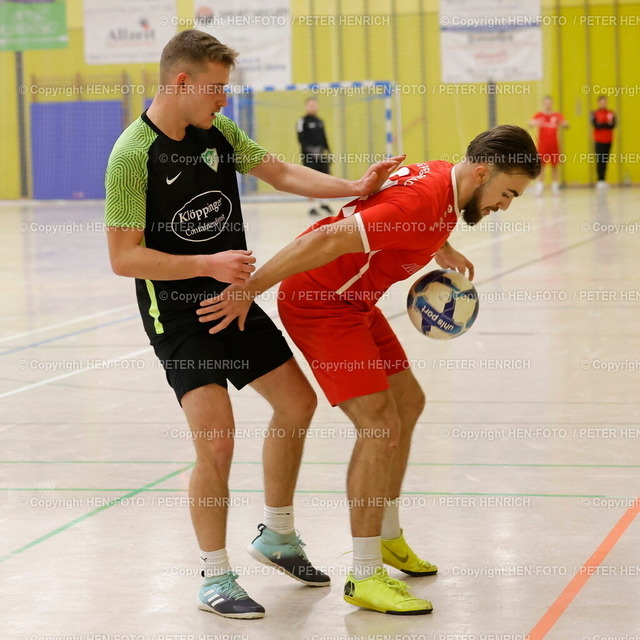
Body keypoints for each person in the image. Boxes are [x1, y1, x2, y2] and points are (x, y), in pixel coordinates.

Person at [104, 29, 403, 620]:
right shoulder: (132, 155)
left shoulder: (219, 133)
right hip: (180, 314)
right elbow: (123, 257)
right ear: (182, 81)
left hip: (234, 299)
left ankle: (279, 536)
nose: (224, 99)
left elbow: (281, 172)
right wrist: (207, 264)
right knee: (216, 441)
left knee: (297, 403)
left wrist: (354, 187)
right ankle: (215, 576)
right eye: (217, 87)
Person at [197, 125, 542, 615]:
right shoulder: (422, 202)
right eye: (507, 193)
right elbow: (326, 238)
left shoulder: (446, 179)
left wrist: (440, 247)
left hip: (354, 300)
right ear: (483, 172)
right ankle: (364, 575)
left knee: (408, 402)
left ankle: (386, 535)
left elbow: (407, 212)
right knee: (379, 425)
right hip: (321, 302)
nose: (505, 205)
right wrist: (248, 290)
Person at [297, 97, 333, 216]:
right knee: (310, 181)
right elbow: (301, 139)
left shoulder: (320, 121)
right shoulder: (302, 121)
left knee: (325, 178)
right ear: (306, 106)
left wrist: (328, 151)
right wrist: (312, 151)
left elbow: (324, 138)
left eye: (314, 105)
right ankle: (311, 206)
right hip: (309, 157)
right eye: (310, 105)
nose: (312, 107)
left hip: (321, 155)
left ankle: (324, 202)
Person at [529, 96, 568, 196]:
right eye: (546, 103)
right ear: (543, 104)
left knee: (555, 166)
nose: (548, 104)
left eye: (549, 103)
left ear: (552, 103)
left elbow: (565, 124)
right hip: (543, 145)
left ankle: (555, 187)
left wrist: (563, 124)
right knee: (541, 167)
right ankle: (539, 187)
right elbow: (530, 123)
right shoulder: (539, 115)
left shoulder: (556, 115)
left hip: (554, 145)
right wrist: (536, 122)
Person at [591, 95, 616, 189]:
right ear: (598, 103)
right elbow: (596, 125)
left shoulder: (611, 113)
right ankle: (600, 180)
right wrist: (606, 124)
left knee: (605, 160)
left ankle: (604, 180)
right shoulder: (594, 113)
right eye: (602, 102)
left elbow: (612, 125)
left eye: (605, 102)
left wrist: (603, 124)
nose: (603, 103)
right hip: (599, 140)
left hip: (608, 140)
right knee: (600, 159)